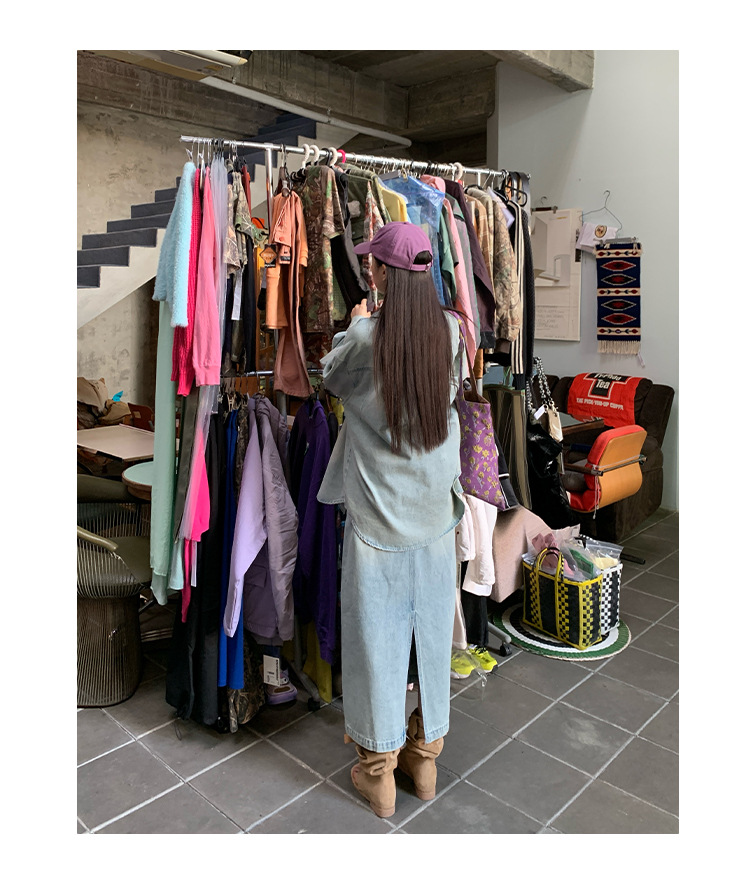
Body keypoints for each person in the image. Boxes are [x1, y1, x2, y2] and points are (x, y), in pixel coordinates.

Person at [317, 222, 466, 818]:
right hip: (434, 512)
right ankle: (424, 761)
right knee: (431, 638)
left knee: (375, 642)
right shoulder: (451, 332)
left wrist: (355, 323)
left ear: (381, 274)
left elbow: (330, 377)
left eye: (372, 265)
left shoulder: (364, 339)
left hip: (378, 518)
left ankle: (378, 773)